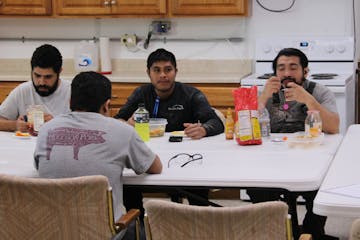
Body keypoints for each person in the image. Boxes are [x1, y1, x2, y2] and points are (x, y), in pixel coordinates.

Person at [34, 71, 162, 239]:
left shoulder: (46, 130)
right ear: (107, 105)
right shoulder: (123, 131)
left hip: (52, 231)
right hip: (105, 234)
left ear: (70, 101)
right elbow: (155, 167)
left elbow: (40, 167)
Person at [247, 48, 339, 240]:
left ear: (305, 71)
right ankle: (278, 231)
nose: (287, 73)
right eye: (281, 68)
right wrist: (263, 98)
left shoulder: (319, 92)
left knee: (319, 191)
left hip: (311, 157)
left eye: (293, 67)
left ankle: (310, 232)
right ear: (275, 73)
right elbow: (244, 127)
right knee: (255, 187)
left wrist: (308, 100)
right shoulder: (265, 93)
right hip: (271, 158)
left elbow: (333, 127)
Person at [115, 48, 224, 210]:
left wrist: (203, 129)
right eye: (156, 70)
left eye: (168, 70)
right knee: (127, 184)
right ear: (148, 73)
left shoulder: (191, 94)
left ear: (175, 72)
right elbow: (117, 120)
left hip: (187, 160)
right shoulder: (141, 93)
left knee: (198, 189)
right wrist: (125, 124)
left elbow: (216, 122)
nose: (163, 75)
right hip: (149, 156)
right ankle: (138, 227)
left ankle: (200, 222)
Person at [0, 44, 71, 132]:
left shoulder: (72, 91)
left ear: (59, 72)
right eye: (37, 75)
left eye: (48, 77)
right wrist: (15, 125)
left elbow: (88, 126)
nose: (41, 82)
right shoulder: (22, 91)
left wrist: (56, 124)